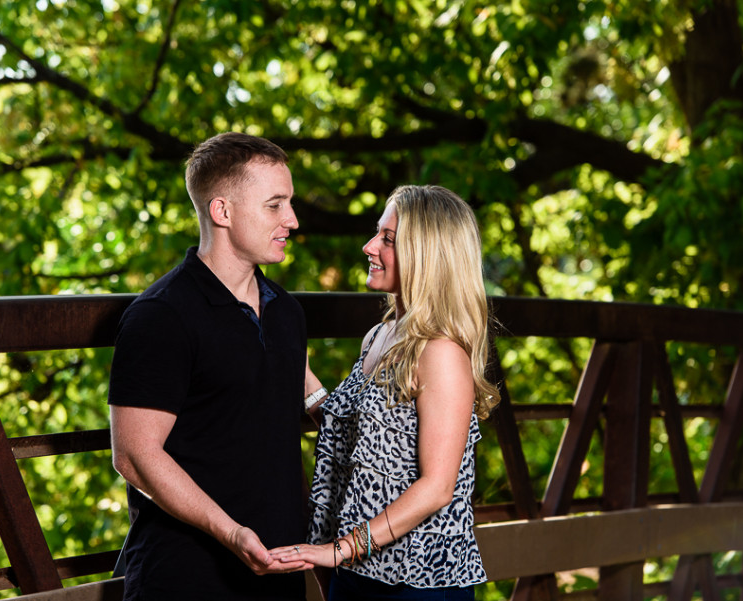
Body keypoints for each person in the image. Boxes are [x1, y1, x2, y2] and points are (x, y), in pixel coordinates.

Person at [108, 132, 315, 601]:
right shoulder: (160, 315)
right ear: (222, 212)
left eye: (290, 204)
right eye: (275, 205)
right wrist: (232, 533)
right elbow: (135, 457)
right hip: (186, 576)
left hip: (279, 572)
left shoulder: (286, 311)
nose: (293, 220)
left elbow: (294, 402)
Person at [272, 185, 499, 600]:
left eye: (388, 239)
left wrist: (337, 551)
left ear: (426, 254)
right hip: (363, 570)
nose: (369, 246)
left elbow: (437, 488)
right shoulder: (382, 335)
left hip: (418, 581)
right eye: (377, 233)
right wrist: (300, 370)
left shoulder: (441, 352)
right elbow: (362, 438)